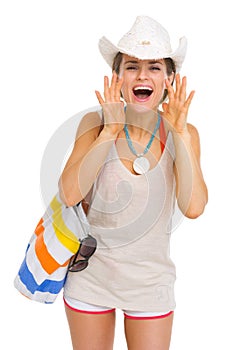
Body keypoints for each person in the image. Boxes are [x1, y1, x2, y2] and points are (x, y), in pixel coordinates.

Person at [59, 15, 208, 350]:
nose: (142, 75)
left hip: (150, 284)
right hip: (90, 280)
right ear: (118, 77)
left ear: (170, 79)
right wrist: (109, 131)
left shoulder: (185, 134)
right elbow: (69, 192)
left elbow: (194, 207)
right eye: (131, 66)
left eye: (155, 67)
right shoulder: (93, 124)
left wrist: (181, 135)